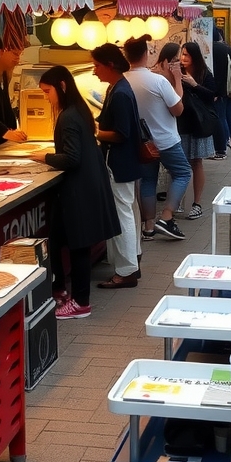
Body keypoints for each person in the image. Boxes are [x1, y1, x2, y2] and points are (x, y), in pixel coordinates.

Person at [30, 66, 120, 318]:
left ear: (61, 86)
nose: (46, 98)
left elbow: (72, 158)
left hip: (79, 190)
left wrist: (45, 157)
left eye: (48, 92)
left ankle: (81, 302)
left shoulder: (69, 116)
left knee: (79, 245)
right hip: (84, 186)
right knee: (58, 238)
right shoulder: (78, 111)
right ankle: (59, 288)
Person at [123, 36, 191, 242]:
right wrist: (178, 79)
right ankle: (167, 217)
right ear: (146, 54)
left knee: (148, 181)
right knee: (183, 173)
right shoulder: (157, 80)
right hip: (166, 139)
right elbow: (178, 109)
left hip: (143, 143)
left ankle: (149, 227)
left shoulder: (123, 80)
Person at [91, 44, 142, 290]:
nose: (94, 71)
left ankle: (126, 270)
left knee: (123, 214)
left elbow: (121, 133)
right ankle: (130, 261)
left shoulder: (120, 92)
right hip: (123, 161)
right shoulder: (118, 87)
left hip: (119, 162)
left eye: (97, 65)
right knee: (126, 211)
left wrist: (96, 132)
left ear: (109, 65)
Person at [175, 41, 217, 219]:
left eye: (186, 55)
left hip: (199, 123)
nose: (183, 58)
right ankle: (177, 201)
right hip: (181, 123)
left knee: (196, 162)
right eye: (181, 54)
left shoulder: (204, 73)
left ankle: (196, 203)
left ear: (194, 56)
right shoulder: (177, 73)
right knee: (180, 163)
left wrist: (194, 84)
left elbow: (213, 96)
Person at [210, 27, 231, 156]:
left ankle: (221, 146)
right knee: (223, 116)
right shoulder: (226, 48)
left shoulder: (209, 48)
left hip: (214, 89)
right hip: (225, 88)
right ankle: (227, 141)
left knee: (219, 117)